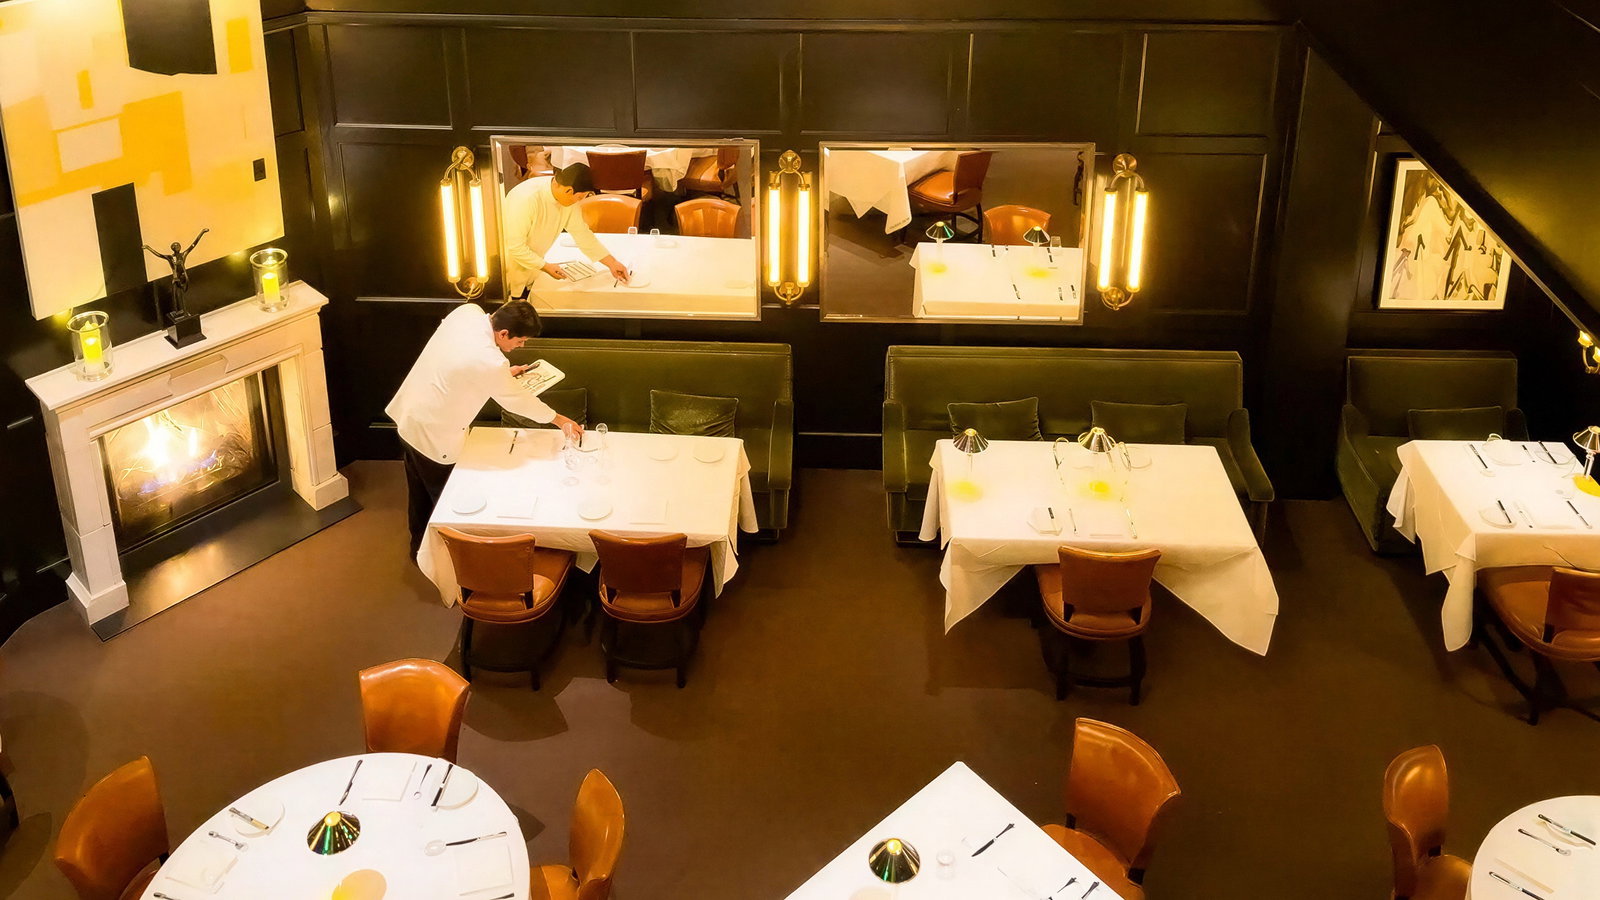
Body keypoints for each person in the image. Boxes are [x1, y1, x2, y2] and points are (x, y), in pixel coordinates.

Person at [386, 299, 582, 555]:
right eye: (520, 341)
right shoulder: (490, 362)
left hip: (409, 414)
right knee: (445, 501)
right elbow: (516, 401)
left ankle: (418, 547)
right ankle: (451, 559)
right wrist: (558, 419)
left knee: (418, 492)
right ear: (504, 333)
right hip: (434, 432)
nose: (520, 346)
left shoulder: (467, 313)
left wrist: (501, 376)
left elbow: (461, 357)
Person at [501, 162, 631, 298]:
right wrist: (545, 266)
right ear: (568, 190)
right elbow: (515, 246)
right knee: (516, 299)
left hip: (534, 267)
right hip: (509, 269)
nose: (578, 202)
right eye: (579, 197)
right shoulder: (526, 199)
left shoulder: (566, 197)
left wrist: (612, 263)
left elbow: (582, 233)